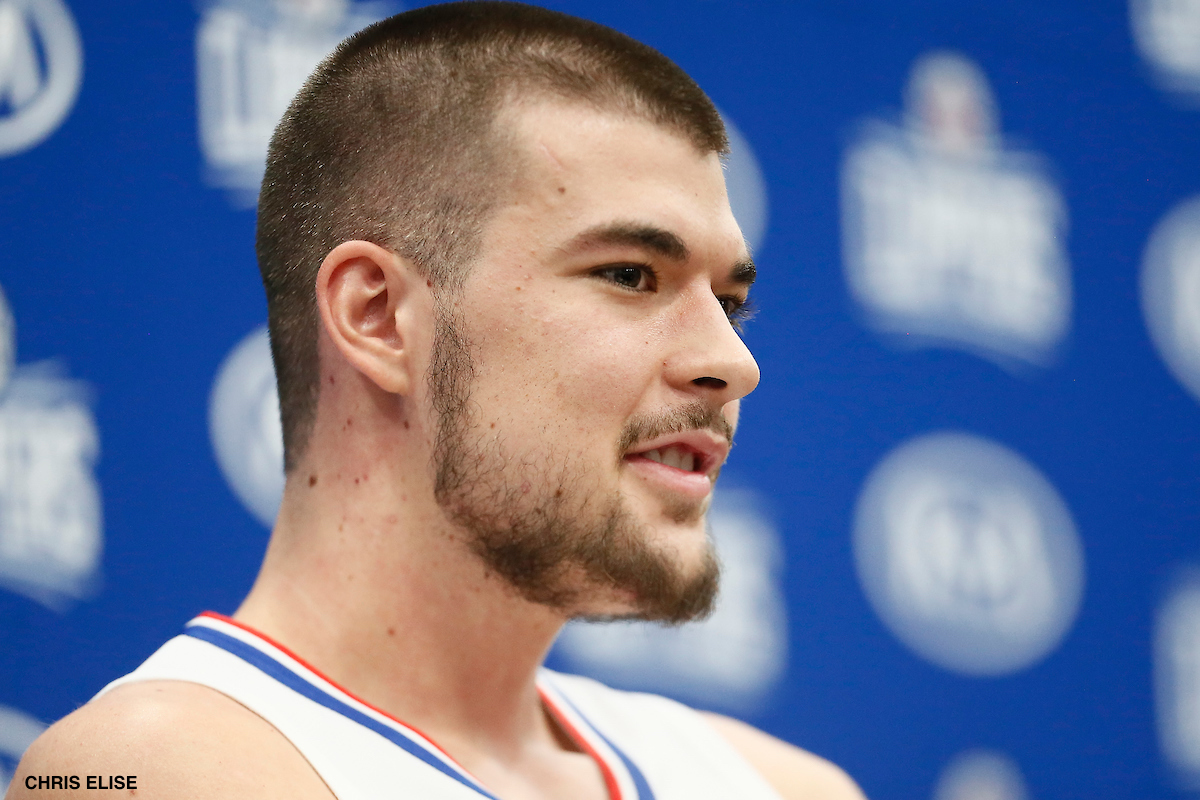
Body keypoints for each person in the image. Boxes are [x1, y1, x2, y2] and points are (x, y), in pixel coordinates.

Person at [12, 3, 865, 798]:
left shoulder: (780, 785)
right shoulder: (148, 772)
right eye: (630, 275)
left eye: (730, 304)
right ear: (378, 317)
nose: (733, 363)